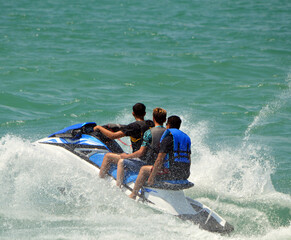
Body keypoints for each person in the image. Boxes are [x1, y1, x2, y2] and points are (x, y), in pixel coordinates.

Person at [129, 115, 191, 199]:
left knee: (143, 169)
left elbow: (159, 159)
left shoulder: (168, 138)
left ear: (168, 125)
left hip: (170, 174)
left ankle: (133, 195)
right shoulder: (186, 138)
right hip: (184, 174)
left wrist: (151, 177)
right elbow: (189, 159)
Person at [95, 103, 154, 179]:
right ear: (144, 113)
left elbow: (112, 136)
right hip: (150, 160)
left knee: (108, 156)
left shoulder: (133, 127)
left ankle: (101, 179)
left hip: (140, 160)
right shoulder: (150, 124)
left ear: (133, 113)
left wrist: (99, 127)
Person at [116, 107, 167, 187]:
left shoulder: (149, 133)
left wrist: (127, 156)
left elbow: (141, 152)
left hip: (149, 165)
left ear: (153, 118)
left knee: (122, 162)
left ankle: (118, 187)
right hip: (163, 167)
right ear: (165, 120)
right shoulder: (169, 133)